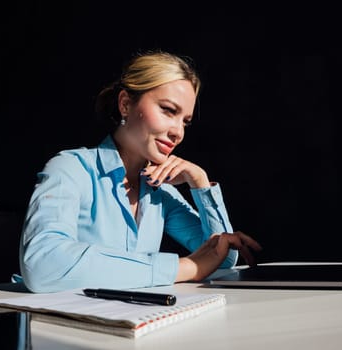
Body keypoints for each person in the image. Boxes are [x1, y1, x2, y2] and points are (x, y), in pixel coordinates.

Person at [19, 50, 262, 293]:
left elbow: (223, 259)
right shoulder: (71, 168)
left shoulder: (159, 190)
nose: (178, 132)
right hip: (57, 324)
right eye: (168, 110)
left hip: (136, 322)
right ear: (125, 104)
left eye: (185, 121)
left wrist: (200, 181)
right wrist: (185, 267)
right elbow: (42, 265)